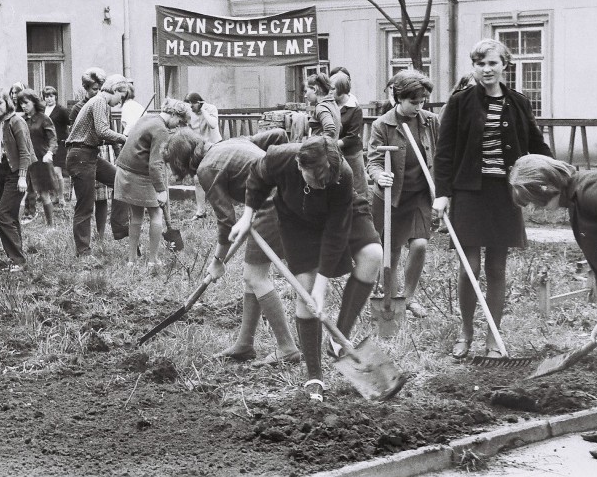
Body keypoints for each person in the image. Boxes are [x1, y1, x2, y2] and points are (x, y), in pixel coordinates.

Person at [230, 136, 381, 402]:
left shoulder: (341, 175)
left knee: (372, 255)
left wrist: (324, 285)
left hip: (341, 212)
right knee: (306, 290)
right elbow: (257, 177)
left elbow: (336, 231)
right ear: (300, 165)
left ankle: (339, 340)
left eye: (327, 181)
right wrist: (247, 216)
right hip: (297, 220)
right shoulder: (281, 157)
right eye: (317, 180)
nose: (322, 185)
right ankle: (314, 376)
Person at [509, 154, 597, 460]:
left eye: (530, 200)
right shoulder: (576, 205)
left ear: (545, 187)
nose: (531, 208)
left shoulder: (592, 189)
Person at [433, 38, 552, 359]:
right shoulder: (459, 103)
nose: (487, 69)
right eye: (480, 63)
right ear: (474, 67)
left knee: (497, 269)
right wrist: (442, 193)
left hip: (504, 194)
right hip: (469, 193)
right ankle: (465, 334)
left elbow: (537, 146)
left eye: (493, 63)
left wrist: (558, 176)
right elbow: (444, 153)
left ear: (504, 66)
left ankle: (493, 338)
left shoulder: (518, 102)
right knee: (468, 268)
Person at [163, 128, 300, 366]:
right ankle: (244, 344)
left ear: (180, 162)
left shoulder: (206, 169)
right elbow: (278, 135)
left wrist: (217, 263)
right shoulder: (232, 142)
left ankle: (287, 347)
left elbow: (225, 221)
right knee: (251, 276)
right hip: (284, 196)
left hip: (274, 205)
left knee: (255, 276)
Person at [366, 69, 440, 319]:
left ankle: (410, 297)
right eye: (413, 102)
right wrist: (379, 176)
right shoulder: (382, 125)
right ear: (398, 98)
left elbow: (440, 155)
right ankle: (393, 298)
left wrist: (443, 191)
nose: (419, 107)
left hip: (419, 194)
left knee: (419, 245)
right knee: (392, 251)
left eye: (422, 101)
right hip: (391, 197)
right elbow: (373, 161)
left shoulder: (430, 121)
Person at [115, 98, 190, 269]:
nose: (178, 126)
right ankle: (153, 260)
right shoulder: (161, 130)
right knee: (156, 215)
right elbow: (155, 164)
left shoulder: (147, 118)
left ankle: (131, 261)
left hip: (125, 171)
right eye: (179, 121)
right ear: (172, 114)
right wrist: (161, 190)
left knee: (136, 216)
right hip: (141, 175)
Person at [65, 74, 130, 260]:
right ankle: (83, 252)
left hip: (90, 154)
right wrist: (124, 137)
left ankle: (119, 227)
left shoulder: (102, 104)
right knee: (85, 206)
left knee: (120, 180)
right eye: (121, 96)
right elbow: (103, 131)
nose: (121, 101)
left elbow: (104, 133)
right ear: (116, 90)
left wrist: (119, 154)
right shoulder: (99, 101)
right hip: (80, 155)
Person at [0, 88, 36, 273]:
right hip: (2, 173)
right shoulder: (0, 122)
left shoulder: (17, 121)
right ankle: (17, 259)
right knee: (11, 216)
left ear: (7, 102)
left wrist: (22, 177)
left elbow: (25, 151)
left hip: (16, 173)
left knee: (2, 216)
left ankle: (18, 260)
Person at [18, 89, 58, 226]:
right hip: (26, 162)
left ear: (34, 102)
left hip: (41, 160)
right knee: (21, 194)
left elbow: (53, 139)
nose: (23, 106)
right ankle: (16, 226)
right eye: (21, 104)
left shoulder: (44, 119)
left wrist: (50, 153)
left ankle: (51, 226)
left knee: (44, 194)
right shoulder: (21, 120)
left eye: (26, 103)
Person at [331, 69, 369, 199]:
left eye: (332, 89)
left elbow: (352, 137)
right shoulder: (330, 105)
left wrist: (331, 144)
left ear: (341, 90)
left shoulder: (355, 108)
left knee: (357, 188)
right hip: (334, 153)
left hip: (351, 154)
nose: (329, 92)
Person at [185, 92, 222, 220]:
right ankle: (201, 212)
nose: (191, 108)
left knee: (215, 179)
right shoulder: (190, 113)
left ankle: (221, 209)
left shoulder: (211, 108)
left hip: (214, 147)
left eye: (192, 105)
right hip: (199, 149)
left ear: (199, 103)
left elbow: (213, 124)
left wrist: (204, 111)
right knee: (197, 179)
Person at [43, 86, 70, 208]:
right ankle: (53, 196)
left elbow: (69, 124)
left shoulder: (61, 110)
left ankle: (61, 197)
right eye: (46, 96)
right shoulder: (42, 110)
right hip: (46, 144)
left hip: (59, 144)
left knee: (57, 172)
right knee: (49, 172)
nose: (49, 99)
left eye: (51, 96)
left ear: (56, 97)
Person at [304, 73, 340, 140]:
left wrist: (315, 143)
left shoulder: (321, 107)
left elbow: (330, 130)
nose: (305, 95)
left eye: (306, 91)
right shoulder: (332, 104)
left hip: (321, 149)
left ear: (314, 89)